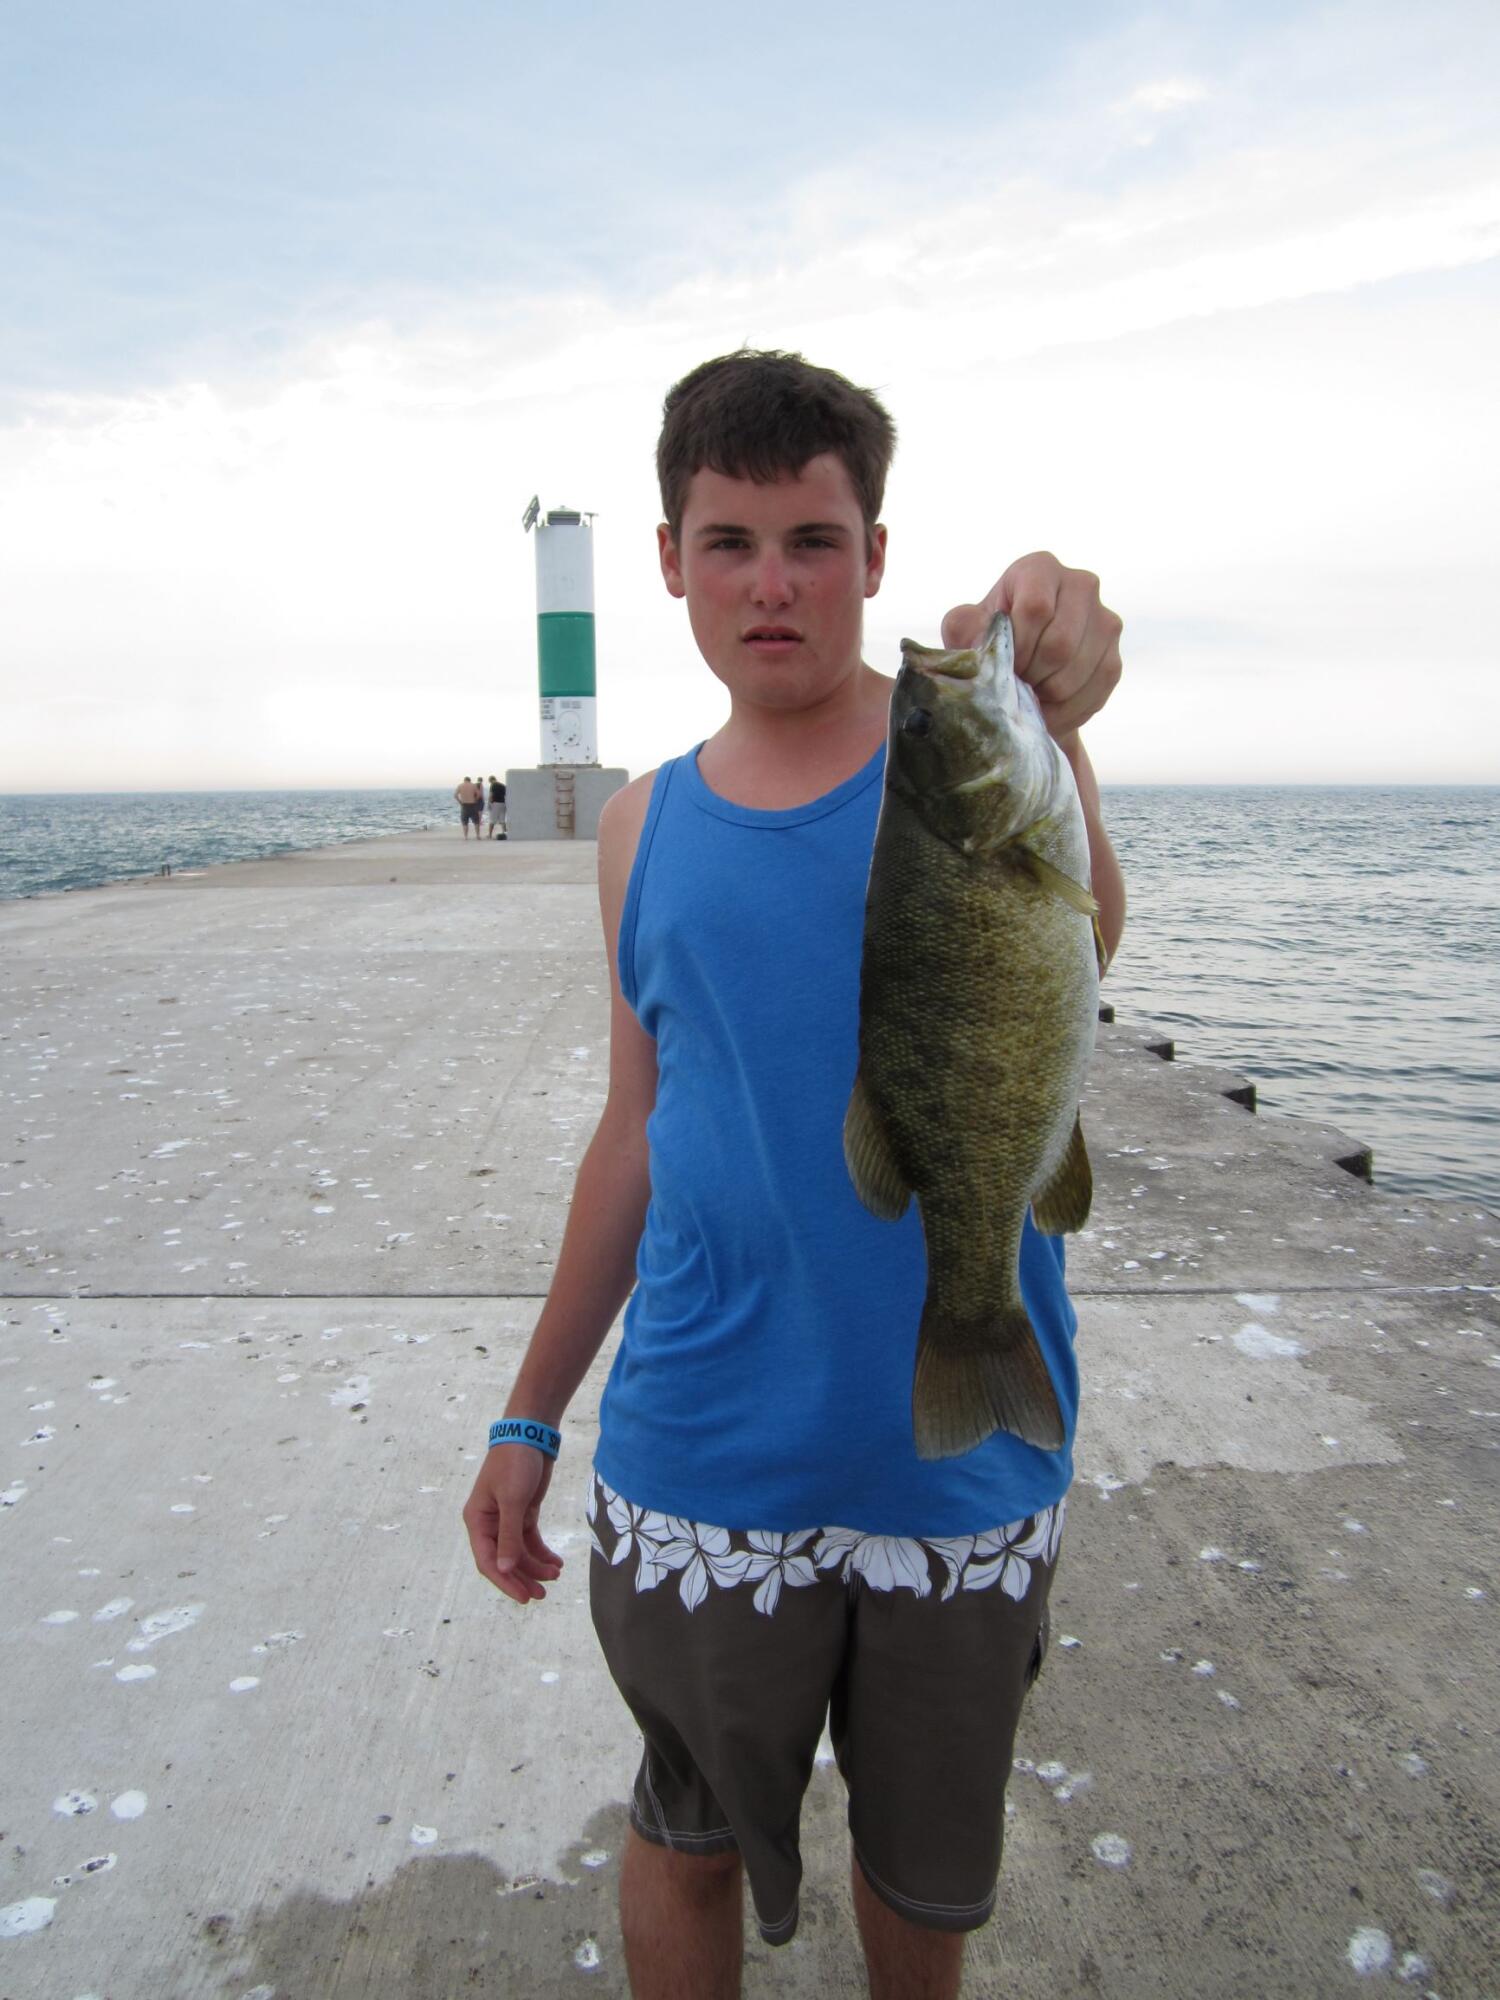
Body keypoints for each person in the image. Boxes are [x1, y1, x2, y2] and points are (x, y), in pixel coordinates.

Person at [463, 350, 1126, 2000]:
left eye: (816, 541)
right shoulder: (636, 827)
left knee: (925, 1869)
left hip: (954, 1483)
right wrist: (529, 1411)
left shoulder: (965, 755)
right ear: (672, 561)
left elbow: (1083, 932)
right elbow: (635, 1134)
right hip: (701, 1453)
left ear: (877, 557)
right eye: (733, 540)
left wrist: (1055, 681)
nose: (775, 582)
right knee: (686, 1834)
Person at [487, 775, 507, 839]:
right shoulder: (503, 785)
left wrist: (489, 804)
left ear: (491, 780)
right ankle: (505, 833)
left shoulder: (493, 785)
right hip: (503, 803)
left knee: (492, 820)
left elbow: (491, 795)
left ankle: (490, 835)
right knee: (502, 820)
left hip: (495, 803)